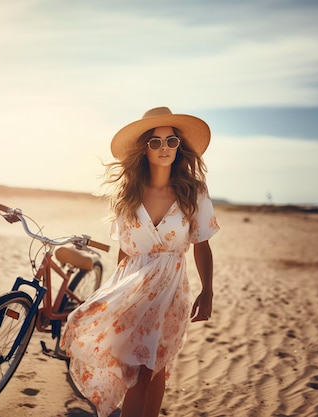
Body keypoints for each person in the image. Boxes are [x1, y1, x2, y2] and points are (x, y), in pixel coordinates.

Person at [61, 107, 219, 417]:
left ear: (179, 146)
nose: (164, 149)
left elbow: (202, 246)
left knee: (155, 367)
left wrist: (208, 291)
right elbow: (126, 253)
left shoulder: (194, 191)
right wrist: (113, 291)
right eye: (156, 142)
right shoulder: (127, 194)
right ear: (144, 148)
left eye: (171, 141)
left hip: (171, 287)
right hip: (131, 286)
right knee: (134, 367)